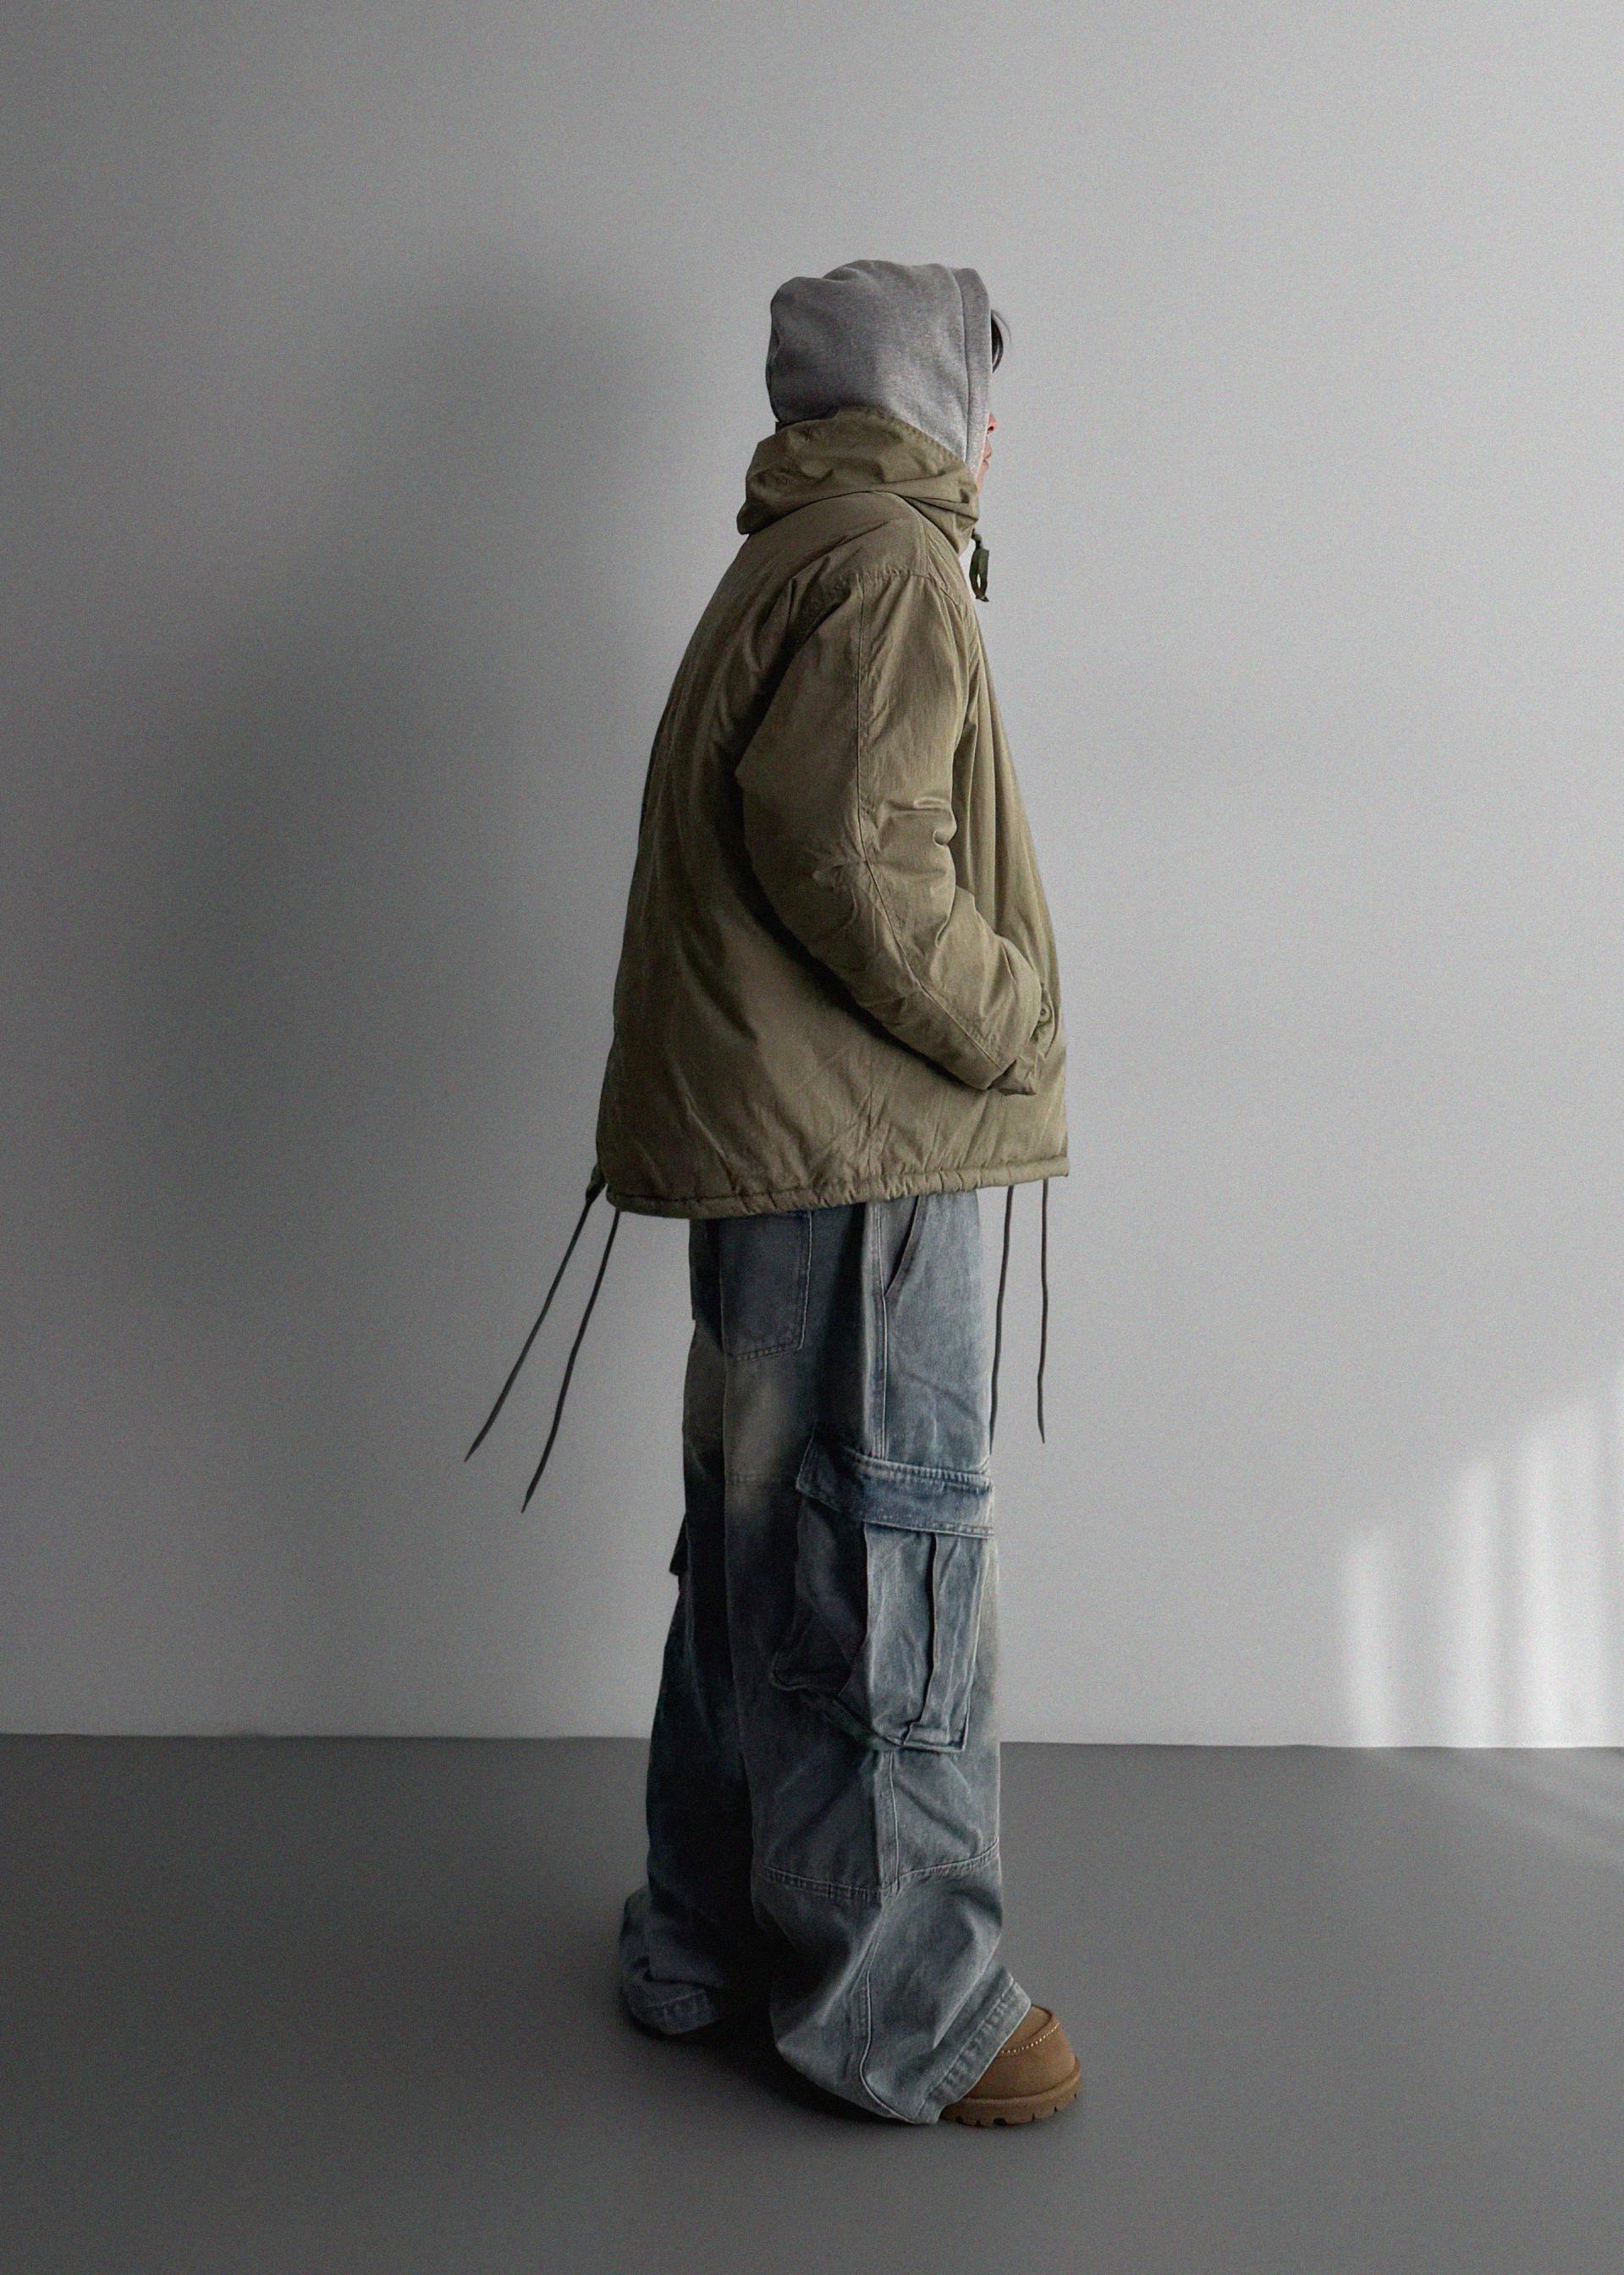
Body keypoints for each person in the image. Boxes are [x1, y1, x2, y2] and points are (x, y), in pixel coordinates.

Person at [497, 259, 1077, 2125]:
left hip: (789, 1153)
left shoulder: (790, 552)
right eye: (981, 387)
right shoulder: (891, 564)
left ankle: (710, 1937)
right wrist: (1012, 1017)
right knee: (879, 1548)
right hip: (860, 1156)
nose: (997, 427)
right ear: (931, 403)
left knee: (762, 1546)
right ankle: (906, 2010)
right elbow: (853, 855)